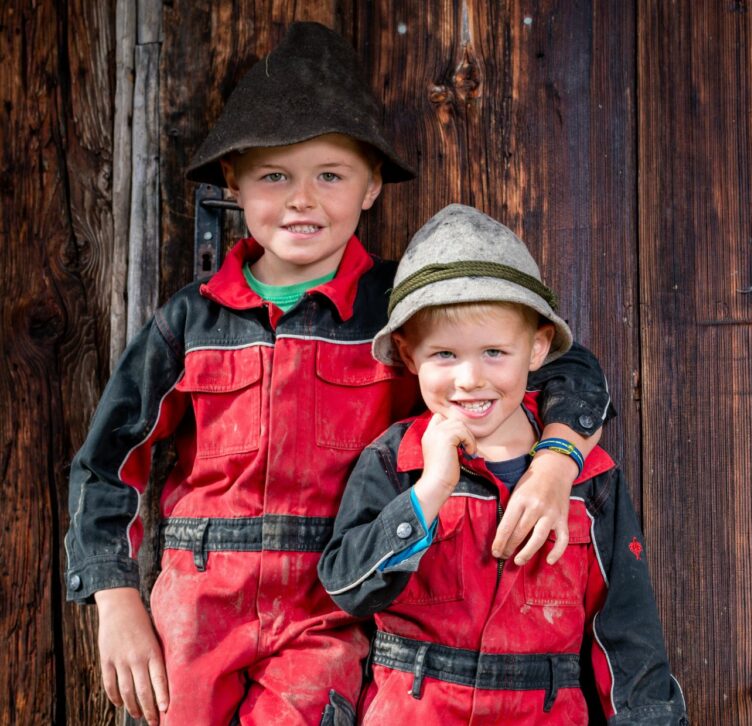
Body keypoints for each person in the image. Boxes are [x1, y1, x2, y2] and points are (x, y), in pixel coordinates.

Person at [64, 24, 610, 725]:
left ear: (373, 184)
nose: (302, 200)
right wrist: (115, 598)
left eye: (330, 175)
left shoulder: (402, 316)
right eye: (273, 175)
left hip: (333, 604)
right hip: (198, 609)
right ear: (233, 181)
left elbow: (564, 364)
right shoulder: (190, 324)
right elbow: (107, 465)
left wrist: (559, 459)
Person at [318, 204, 688, 724]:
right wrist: (429, 492)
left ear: (537, 349)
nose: (470, 378)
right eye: (444, 355)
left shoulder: (591, 480)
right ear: (408, 356)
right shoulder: (392, 461)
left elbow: (626, 631)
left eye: (494, 351)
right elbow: (348, 590)